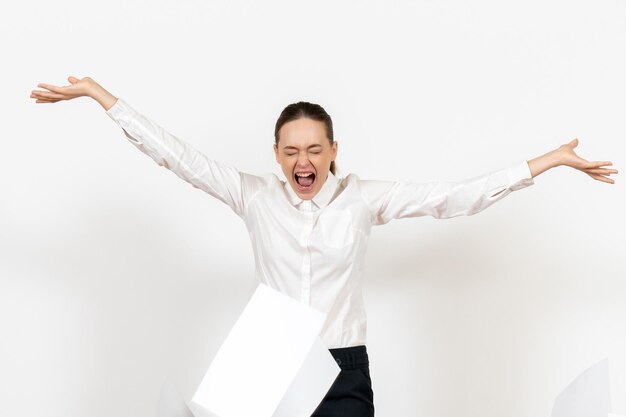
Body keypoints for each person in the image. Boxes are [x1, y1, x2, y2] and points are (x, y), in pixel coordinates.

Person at [30, 76, 618, 417]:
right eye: (290, 151)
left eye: (313, 149)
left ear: (333, 150)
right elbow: (177, 156)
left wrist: (547, 162)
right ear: (277, 155)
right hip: (268, 358)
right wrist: (101, 96)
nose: (302, 162)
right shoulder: (253, 196)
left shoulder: (363, 200)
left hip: (341, 366)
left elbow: (453, 197)